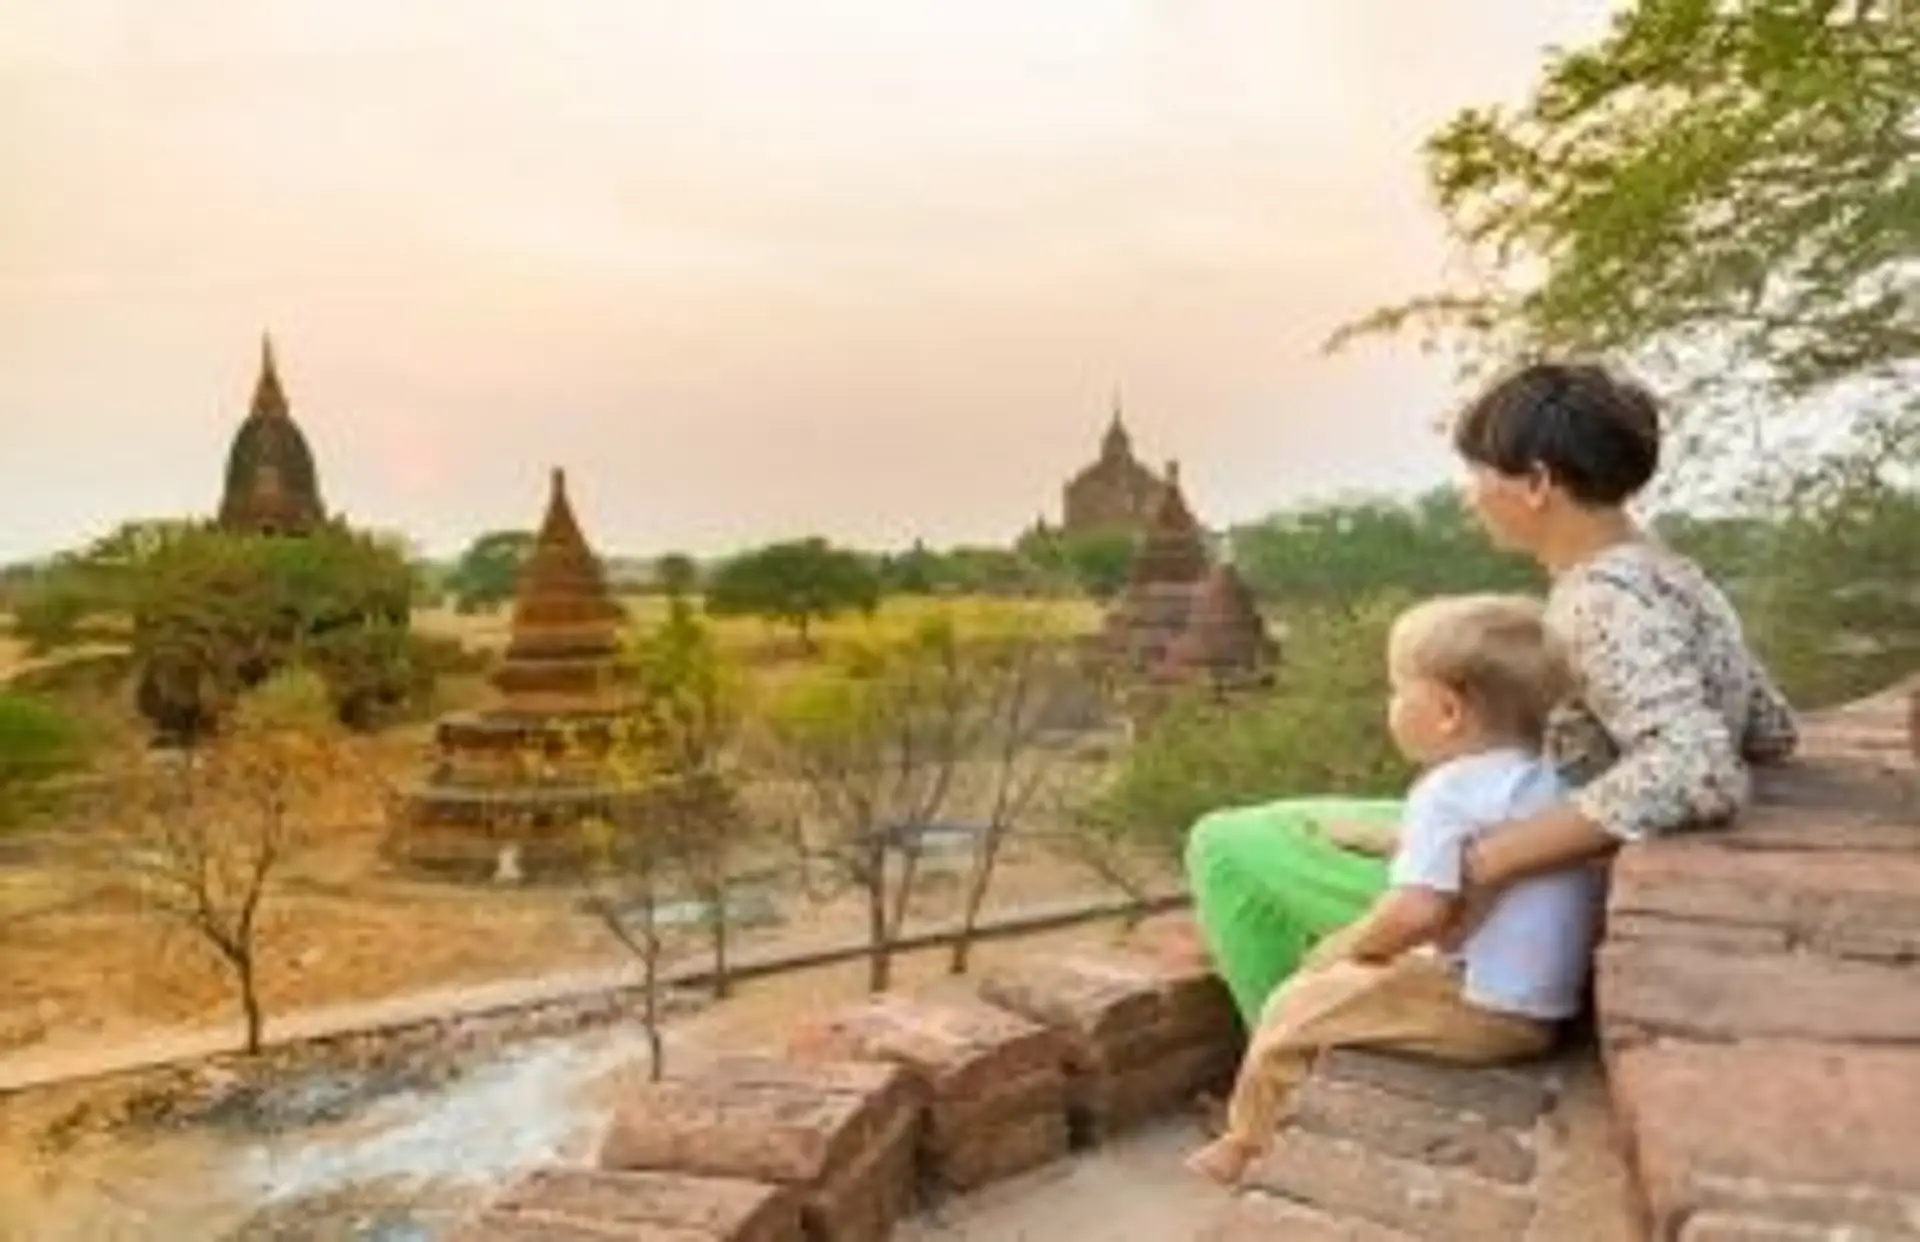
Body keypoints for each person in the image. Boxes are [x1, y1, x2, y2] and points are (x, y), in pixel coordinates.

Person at [1184, 361, 1799, 1030]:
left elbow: (1697, 767)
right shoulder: (1677, 577)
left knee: (1226, 843)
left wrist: (1492, 860)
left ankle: (1287, 1055)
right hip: (1542, 820)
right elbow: (1769, 728)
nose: (1471, 496)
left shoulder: (1602, 602)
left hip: (1531, 888)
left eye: (1480, 474)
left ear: (1536, 482)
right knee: (1302, 825)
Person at [1186, 593, 1601, 1185]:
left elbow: (1417, 910)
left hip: (1488, 1013)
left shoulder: (1448, 790)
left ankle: (1247, 1142)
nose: (1391, 706)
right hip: (1544, 1001)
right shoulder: (1554, 774)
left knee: (1294, 1006)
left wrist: (1353, 948)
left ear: (1447, 711)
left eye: (1398, 690)